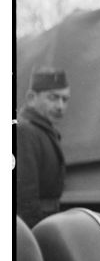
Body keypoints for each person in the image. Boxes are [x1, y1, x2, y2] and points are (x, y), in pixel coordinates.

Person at [16, 67, 70, 228]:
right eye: (53, 98)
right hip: (34, 227)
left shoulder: (43, 131)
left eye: (65, 99)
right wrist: (36, 237)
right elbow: (25, 196)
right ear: (32, 98)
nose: (60, 106)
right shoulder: (23, 131)